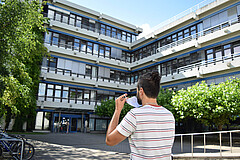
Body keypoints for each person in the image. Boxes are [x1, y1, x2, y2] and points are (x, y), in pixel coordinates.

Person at [106, 71, 175, 160]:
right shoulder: (169, 115)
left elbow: (110, 141)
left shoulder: (135, 115)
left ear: (141, 91)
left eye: (137, 90)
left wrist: (117, 110)